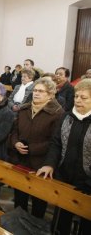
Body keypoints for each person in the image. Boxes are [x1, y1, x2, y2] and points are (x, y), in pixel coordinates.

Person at [37, 79, 91, 235]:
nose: (78, 100)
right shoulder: (67, 117)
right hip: (65, 176)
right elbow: (56, 143)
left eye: (84, 98)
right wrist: (50, 164)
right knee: (61, 220)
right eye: (76, 96)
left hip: (87, 182)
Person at [9, 78, 63, 218]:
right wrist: (15, 143)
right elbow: (14, 130)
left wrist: (31, 149)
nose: (36, 93)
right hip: (21, 159)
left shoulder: (57, 113)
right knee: (19, 198)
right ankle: (17, 224)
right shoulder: (24, 108)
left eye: (41, 91)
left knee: (38, 201)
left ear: (51, 94)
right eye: (35, 90)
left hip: (40, 163)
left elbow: (55, 141)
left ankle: (34, 227)